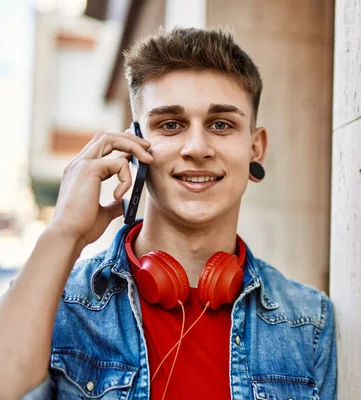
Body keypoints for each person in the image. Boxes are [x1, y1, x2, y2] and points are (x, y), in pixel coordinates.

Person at [0, 27, 337, 399]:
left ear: (255, 148)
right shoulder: (58, 304)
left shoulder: (308, 322)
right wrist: (64, 231)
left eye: (221, 124)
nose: (197, 148)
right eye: (171, 124)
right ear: (133, 144)